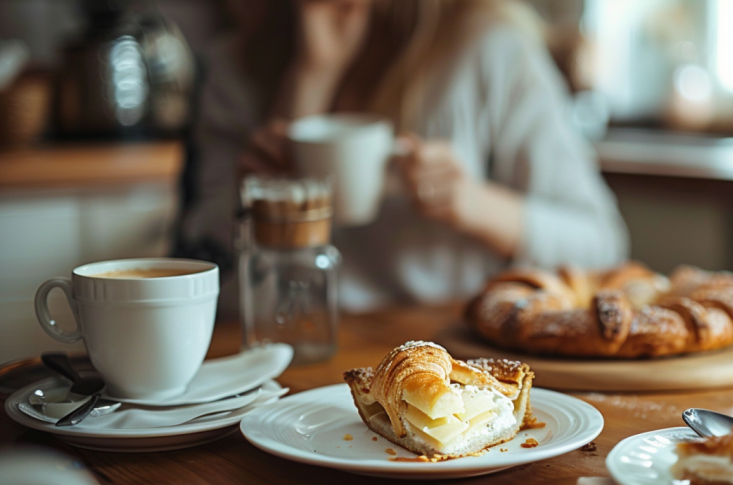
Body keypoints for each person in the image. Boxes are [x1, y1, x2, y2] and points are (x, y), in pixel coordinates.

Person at [182, 0, 628, 310]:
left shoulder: (486, 45)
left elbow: (601, 244)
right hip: (287, 352)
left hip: (450, 358)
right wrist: (311, 76)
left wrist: (472, 204)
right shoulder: (233, 66)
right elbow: (205, 268)